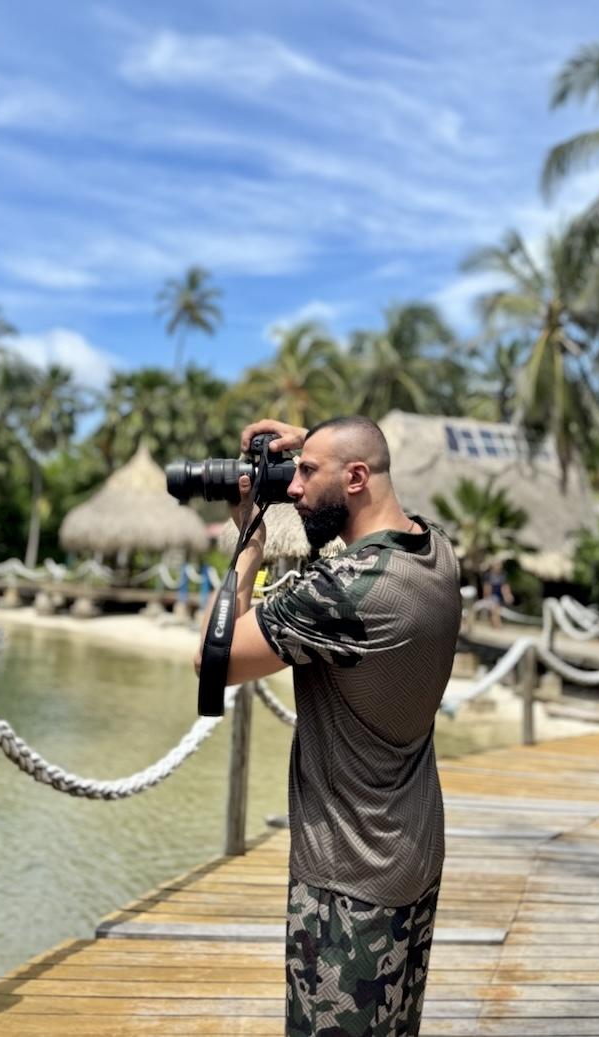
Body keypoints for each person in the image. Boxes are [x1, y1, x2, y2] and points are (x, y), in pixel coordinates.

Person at [196, 415, 461, 1037]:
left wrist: (249, 543)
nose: (292, 488)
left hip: (348, 879)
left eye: (307, 473)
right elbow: (374, 482)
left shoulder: (347, 591)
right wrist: (318, 444)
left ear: (356, 477)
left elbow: (214, 659)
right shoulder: (436, 551)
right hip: (411, 855)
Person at [481, 559, 513, 628]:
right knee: (495, 609)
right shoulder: (488, 575)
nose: (498, 567)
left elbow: (505, 586)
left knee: (496, 610)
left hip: (499, 596)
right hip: (492, 595)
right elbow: (487, 587)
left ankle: (494, 624)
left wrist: (507, 595)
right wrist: (486, 597)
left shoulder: (503, 574)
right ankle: (497, 624)